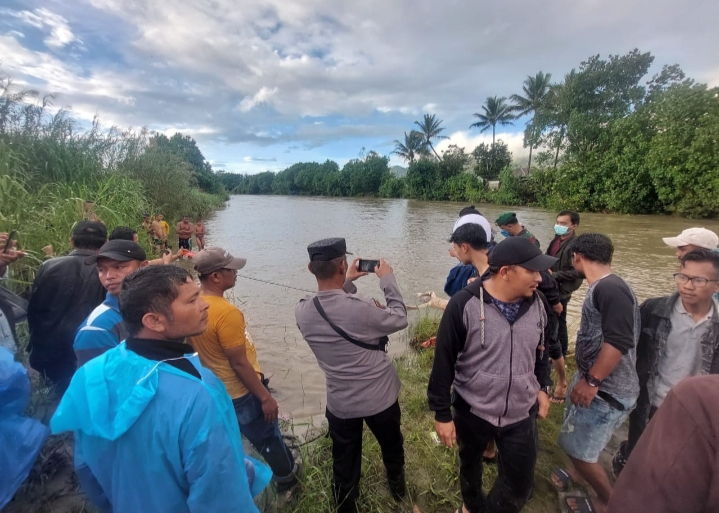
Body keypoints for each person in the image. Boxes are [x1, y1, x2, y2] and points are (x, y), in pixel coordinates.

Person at [50, 265, 269, 513]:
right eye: (193, 300)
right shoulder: (200, 391)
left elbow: (85, 464)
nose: (205, 304)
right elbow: (220, 493)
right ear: (154, 321)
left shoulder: (90, 374)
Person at [428, 237, 557, 513]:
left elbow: (543, 349)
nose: (540, 278)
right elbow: (443, 363)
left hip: (521, 412)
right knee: (470, 471)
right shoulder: (463, 305)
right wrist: (442, 414)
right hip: (473, 409)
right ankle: (470, 506)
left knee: (520, 485)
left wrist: (543, 386)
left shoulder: (539, 304)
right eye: (532, 271)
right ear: (505, 272)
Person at [295, 238, 408, 512]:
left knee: (344, 460)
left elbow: (332, 305)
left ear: (311, 269)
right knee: (391, 445)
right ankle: (398, 490)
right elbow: (399, 317)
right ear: (344, 264)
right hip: (380, 399)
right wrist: (387, 279)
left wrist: (346, 281)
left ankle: (346, 505)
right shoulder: (363, 306)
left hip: (341, 403)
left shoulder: (302, 311)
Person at [190, 247, 297, 491]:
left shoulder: (195, 303)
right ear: (216, 276)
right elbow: (238, 362)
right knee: (268, 438)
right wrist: (265, 397)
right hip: (242, 393)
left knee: (235, 436)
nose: (236, 273)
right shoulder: (226, 312)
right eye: (231, 269)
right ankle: (287, 480)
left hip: (217, 389)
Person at [612, 248, 719, 475]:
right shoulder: (653, 310)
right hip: (652, 401)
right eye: (683, 277)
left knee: (683, 467)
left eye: (698, 280)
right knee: (639, 456)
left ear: (717, 285)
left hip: (697, 410)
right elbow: (629, 351)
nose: (687, 286)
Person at [556, 233, 639, 513]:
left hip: (606, 389)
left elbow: (618, 340)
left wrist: (592, 381)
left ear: (576, 256)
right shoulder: (605, 286)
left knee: (581, 452)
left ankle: (609, 501)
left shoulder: (609, 288)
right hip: (594, 379)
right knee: (573, 433)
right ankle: (578, 471)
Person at [606, 375, 719, 513]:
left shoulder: (700, 399)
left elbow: (644, 500)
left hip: (662, 396)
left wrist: (592, 381)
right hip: (662, 394)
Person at [27, 221, 107, 393]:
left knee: (56, 396)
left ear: (72, 241)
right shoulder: (107, 271)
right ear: (105, 242)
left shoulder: (48, 266)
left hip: (51, 349)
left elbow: (33, 310)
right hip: (90, 351)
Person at [73, 240, 149, 367]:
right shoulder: (96, 329)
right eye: (101, 269)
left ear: (144, 267)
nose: (109, 276)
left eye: (118, 267)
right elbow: (100, 383)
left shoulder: (158, 306)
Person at [547, 210, 583, 403]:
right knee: (557, 326)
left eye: (563, 222)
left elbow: (577, 272)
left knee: (557, 328)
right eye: (557, 221)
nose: (559, 225)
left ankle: (558, 363)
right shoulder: (556, 239)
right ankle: (557, 359)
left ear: (574, 226)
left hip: (561, 291)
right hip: (551, 287)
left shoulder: (574, 246)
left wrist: (553, 276)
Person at [444, 206, 492, 297]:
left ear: (464, 247)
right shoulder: (501, 262)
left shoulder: (462, 271)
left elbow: (454, 295)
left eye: (456, 248)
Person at [109, 227, 182, 265]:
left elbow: (151, 263)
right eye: (136, 242)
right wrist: (166, 264)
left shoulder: (128, 262)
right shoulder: (125, 269)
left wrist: (176, 256)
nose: (138, 245)